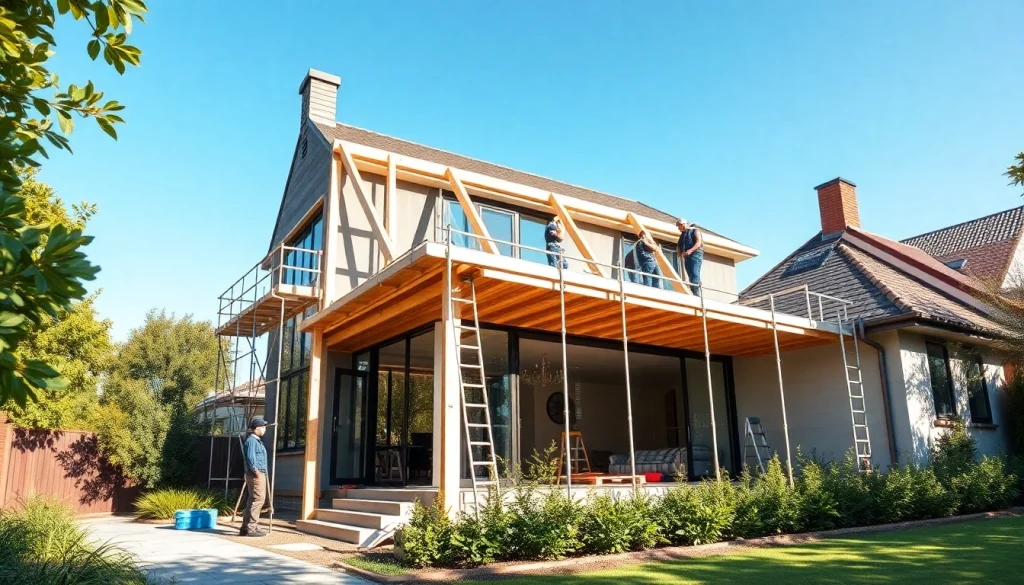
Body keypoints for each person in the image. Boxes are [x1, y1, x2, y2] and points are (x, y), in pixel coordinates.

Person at [240, 416, 269, 537]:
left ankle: (245, 528)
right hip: (256, 475)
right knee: (258, 500)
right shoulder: (252, 441)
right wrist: (256, 472)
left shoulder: (256, 440)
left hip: (256, 474)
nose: (264, 429)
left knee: (252, 500)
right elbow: (251, 458)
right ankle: (252, 528)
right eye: (263, 427)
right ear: (256, 428)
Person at [676, 218, 704, 295]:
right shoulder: (683, 234)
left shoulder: (695, 231)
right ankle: (694, 293)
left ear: (683, 224)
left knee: (694, 274)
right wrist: (679, 251)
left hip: (695, 254)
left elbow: (698, 243)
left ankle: (697, 295)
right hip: (687, 256)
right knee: (690, 275)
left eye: (679, 226)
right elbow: (679, 244)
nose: (678, 228)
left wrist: (690, 250)